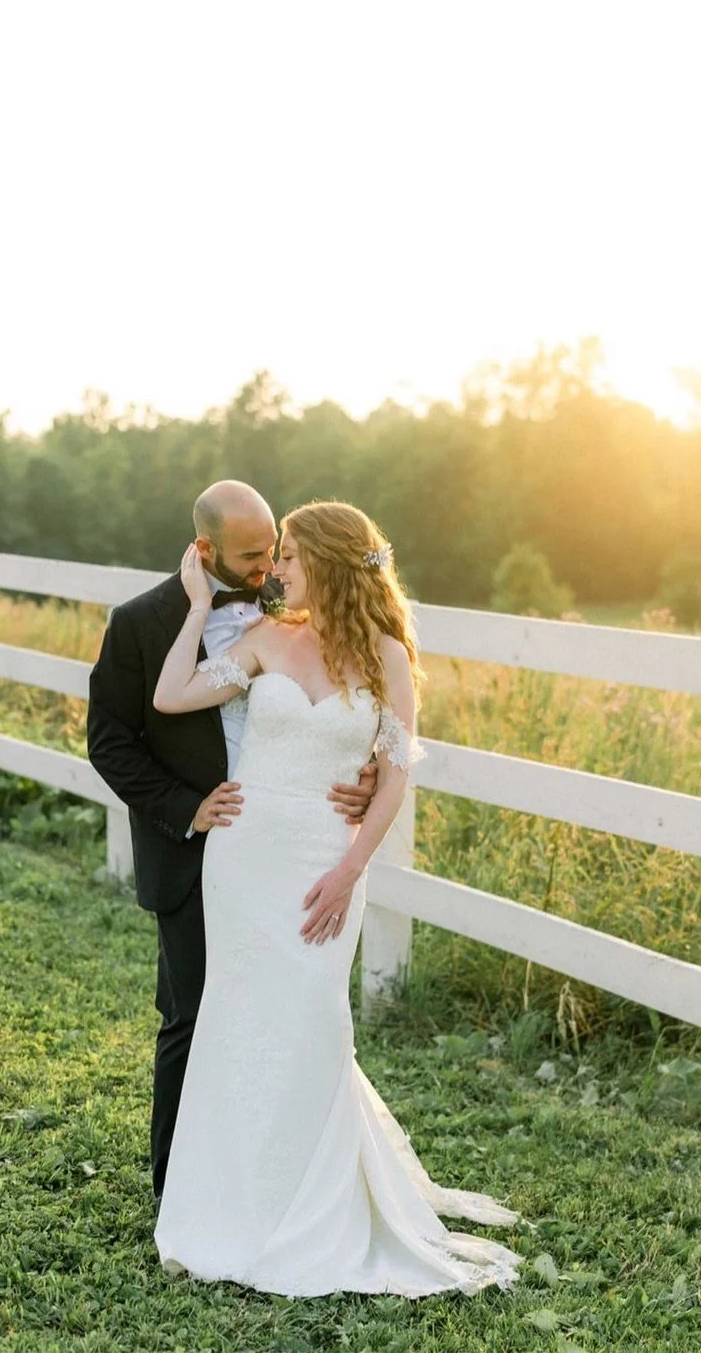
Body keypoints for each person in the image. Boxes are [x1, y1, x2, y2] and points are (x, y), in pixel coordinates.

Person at [150, 499, 523, 1298]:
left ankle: (312, 1205)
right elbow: (172, 695)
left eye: (287, 556)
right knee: (241, 1017)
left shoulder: (387, 656)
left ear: (323, 559)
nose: (276, 569)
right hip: (246, 857)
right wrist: (195, 609)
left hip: (327, 862)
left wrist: (353, 868)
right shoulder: (265, 639)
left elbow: (393, 779)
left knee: (314, 1016)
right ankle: (236, 1203)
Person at [86, 482, 376, 1201]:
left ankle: (276, 1182)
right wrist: (189, 808)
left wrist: (360, 773)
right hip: (193, 849)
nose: (269, 568)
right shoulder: (140, 623)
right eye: (253, 556)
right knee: (191, 1016)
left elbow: (346, 707)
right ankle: (177, 1190)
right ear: (205, 548)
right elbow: (110, 742)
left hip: (292, 847)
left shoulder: (296, 608)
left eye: (276, 551)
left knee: (285, 1008)